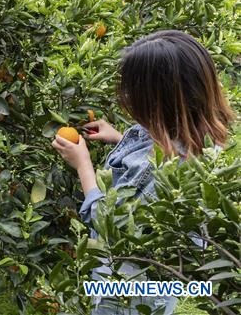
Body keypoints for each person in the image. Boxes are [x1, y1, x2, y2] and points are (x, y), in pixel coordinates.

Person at [53, 30, 234, 315]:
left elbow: (111, 227)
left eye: (132, 91)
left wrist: (83, 165)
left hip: (127, 290)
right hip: (157, 285)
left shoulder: (156, 166)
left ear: (155, 101)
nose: (126, 97)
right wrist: (121, 137)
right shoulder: (200, 140)